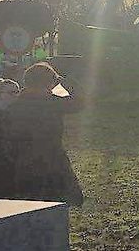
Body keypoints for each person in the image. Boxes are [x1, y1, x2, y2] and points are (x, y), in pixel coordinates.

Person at [8, 62, 84, 205]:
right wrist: (63, 80)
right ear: (48, 83)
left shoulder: (15, 105)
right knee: (62, 200)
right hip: (53, 158)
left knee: (30, 204)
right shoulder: (52, 103)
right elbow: (80, 101)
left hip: (23, 161)